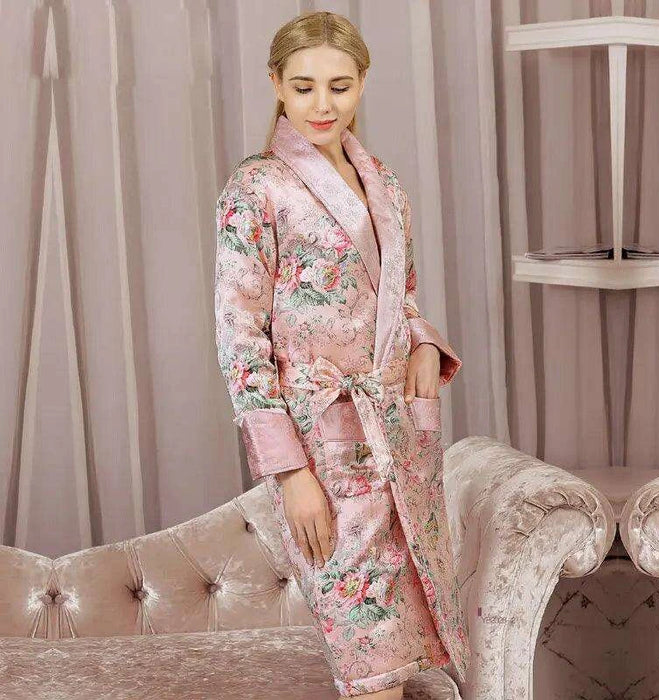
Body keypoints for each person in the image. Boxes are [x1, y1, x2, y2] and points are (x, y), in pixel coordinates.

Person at [214, 10, 470, 699]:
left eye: (339, 86)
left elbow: (402, 296)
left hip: (397, 432)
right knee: (369, 659)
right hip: (322, 445)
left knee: (409, 651)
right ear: (276, 84)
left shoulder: (383, 181)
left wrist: (423, 344)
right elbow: (240, 340)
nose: (321, 105)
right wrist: (290, 473)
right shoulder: (256, 188)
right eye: (303, 88)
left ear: (363, 82)